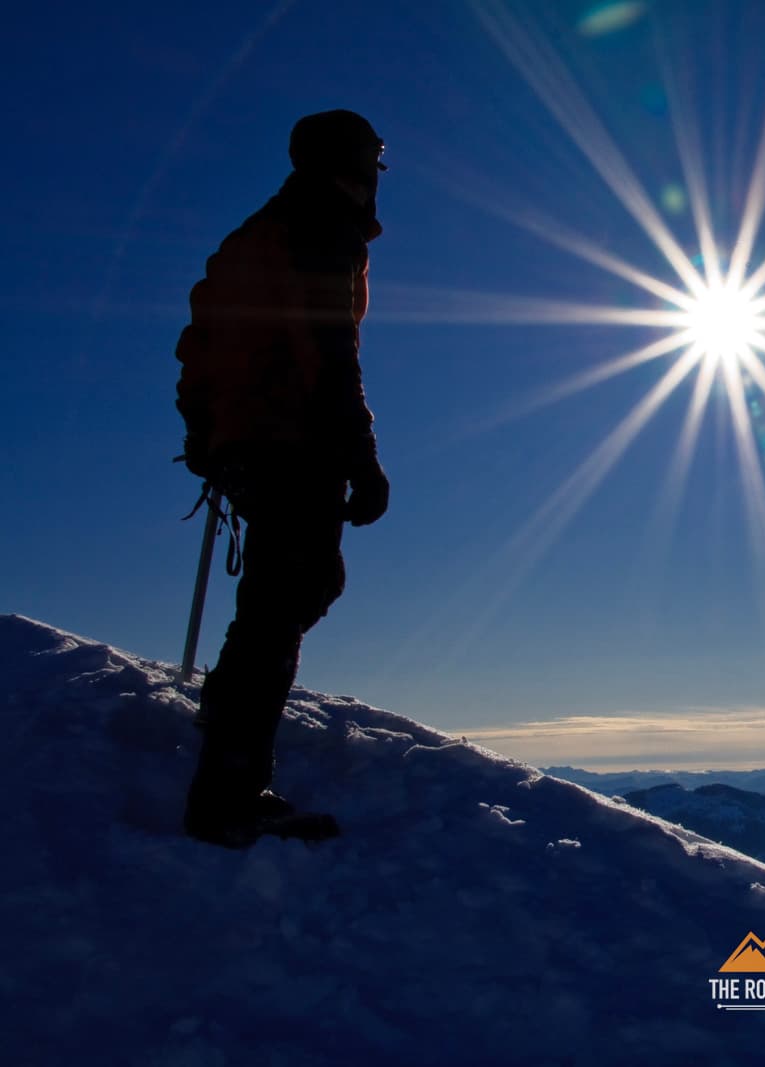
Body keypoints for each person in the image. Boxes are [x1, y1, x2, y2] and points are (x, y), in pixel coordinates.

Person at [175, 110, 391, 847]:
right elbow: (331, 354)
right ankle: (230, 789)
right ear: (351, 166)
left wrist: (204, 433)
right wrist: (361, 460)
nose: (377, 179)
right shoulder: (320, 229)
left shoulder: (253, 235)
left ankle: (228, 723)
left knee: (289, 590)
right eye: (373, 163)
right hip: (295, 442)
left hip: (247, 444)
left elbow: (198, 342)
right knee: (285, 597)